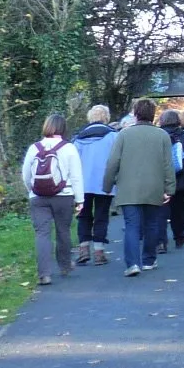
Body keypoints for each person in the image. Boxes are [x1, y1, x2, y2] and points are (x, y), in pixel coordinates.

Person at [103, 98, 178, 276]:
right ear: (153, 115)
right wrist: (170, 188)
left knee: (131, 225)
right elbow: (168, 164)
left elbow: (113, 162)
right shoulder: (162, 136)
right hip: (154, 187)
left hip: (128, 187)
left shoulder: (124, 134)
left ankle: (132, 264)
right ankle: (149, 260)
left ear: (135, 114)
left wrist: (107, 185)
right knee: (151, 224)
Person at [20, 112, 82, 285]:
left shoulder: (34, 148)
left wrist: (31, 190)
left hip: (38, 197)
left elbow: (25, 174)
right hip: (64, 196)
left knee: (42, 234)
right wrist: (80, 199)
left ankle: (44, 274)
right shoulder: (69, 148)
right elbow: (76, 176)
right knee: (63, 230)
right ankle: (65, 266)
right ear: (63, 128)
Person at [72, 106, 119, 267]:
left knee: (83, 215)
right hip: (104, 182)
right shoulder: (113, 136)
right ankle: (99, 251)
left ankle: (83, 249)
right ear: (106, 117)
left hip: (82, 184)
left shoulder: (78, 138)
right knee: (101, 215)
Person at [160, 109, 184, 249]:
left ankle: (161, 241)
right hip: (181, 179)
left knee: (161, 209)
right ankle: (179, 236)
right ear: (178, 121)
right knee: (179, 209)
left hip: (161, 179)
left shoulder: (157, 136)